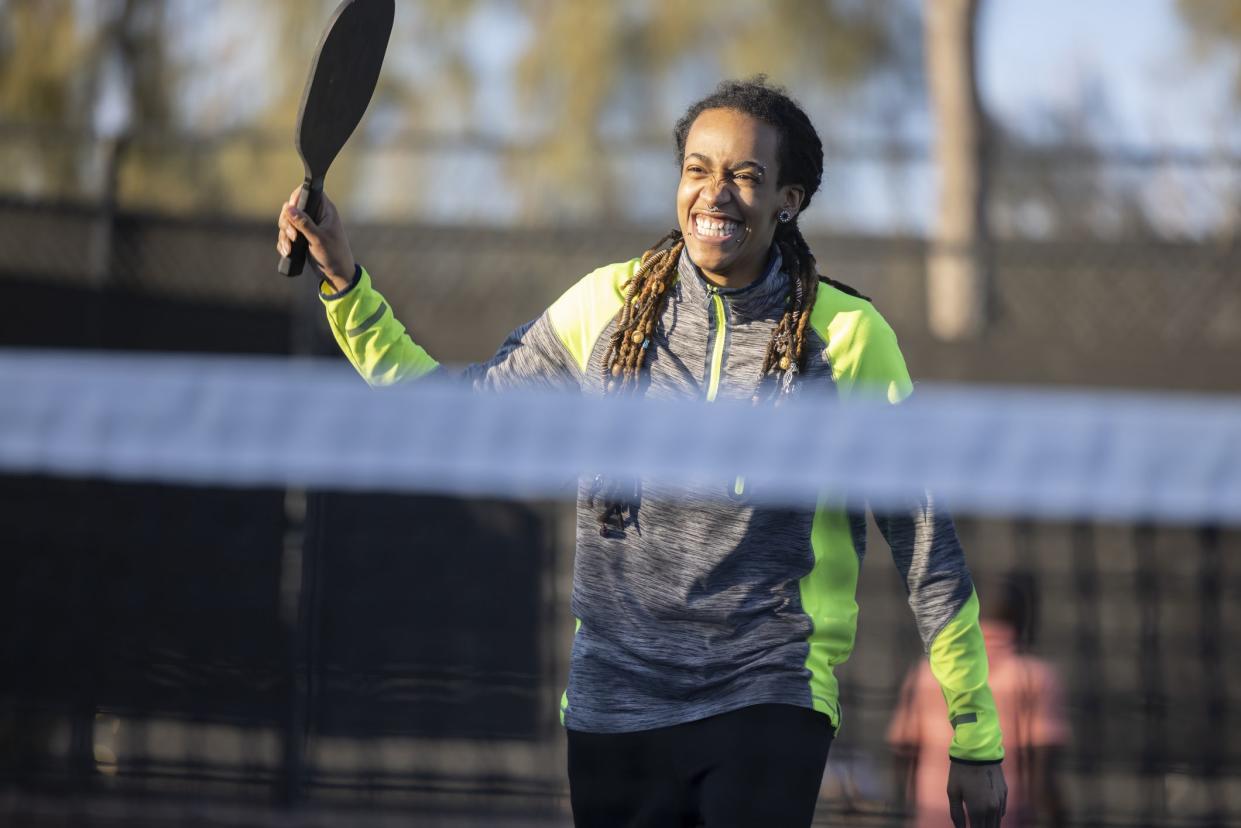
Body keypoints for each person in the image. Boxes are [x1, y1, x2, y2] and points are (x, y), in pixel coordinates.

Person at [276, 76, 1007, 828]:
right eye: (697, 169)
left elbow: (923, 542)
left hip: (768, 692)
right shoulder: (603, 303)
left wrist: (975, 736)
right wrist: (344, 284)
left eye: (745, 175)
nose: (715, 193)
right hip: (613, 705)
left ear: (788, 198)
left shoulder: (850, 337)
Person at [889, 572, 1066, 828]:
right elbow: (1043, 769)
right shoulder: (1036, 678)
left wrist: (902, 812)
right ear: (1025, 619)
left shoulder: (927, 672)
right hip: (1005, 818)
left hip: (931, 817)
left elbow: (904, 751)